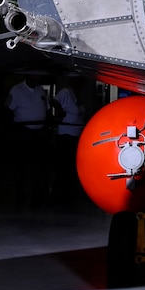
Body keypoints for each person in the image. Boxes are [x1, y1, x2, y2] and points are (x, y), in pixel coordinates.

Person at [4, 74, 51, 208]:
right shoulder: (17, 90)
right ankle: (20, 193)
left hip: (39, 133)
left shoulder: (40, 90)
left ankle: (37, 195)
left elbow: (46, 108)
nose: (38, 79)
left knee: (38, 166)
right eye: (35, 76)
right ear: (29, 76)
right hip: (23, 132)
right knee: (21, 165)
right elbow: (7, 110)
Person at [50, 75, 87, 207]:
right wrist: (60, 113)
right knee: (63, 166)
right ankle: (59, 194)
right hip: (66, 135)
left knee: (72, 167)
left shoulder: (77, 96)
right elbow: (54, 101)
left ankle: (70, 192)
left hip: (76, 135)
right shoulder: (65, 93)